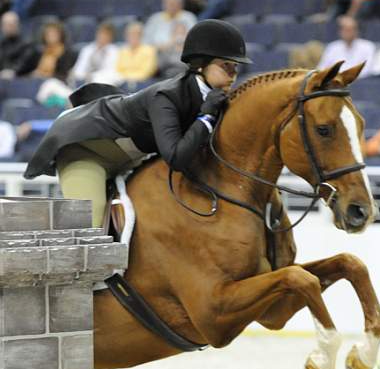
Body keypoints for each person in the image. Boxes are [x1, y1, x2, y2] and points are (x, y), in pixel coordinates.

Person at [24, 20, 252, 229]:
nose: (233, 74)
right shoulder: (168, 96)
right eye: (226, 65)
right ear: (201, 64)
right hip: (86, 153)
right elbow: (176, 157)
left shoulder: (211, 96)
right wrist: (206, 117)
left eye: (235, 67)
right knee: (89, 232)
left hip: (130, 159)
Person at [0, 10, 38, 77]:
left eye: (10, 25)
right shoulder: (2, 43)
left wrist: (12, 71)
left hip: (23, 78)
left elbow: (24, 62)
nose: (7, 28)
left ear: (17, 24)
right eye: (4, 25)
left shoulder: (27, 41)